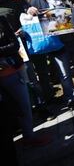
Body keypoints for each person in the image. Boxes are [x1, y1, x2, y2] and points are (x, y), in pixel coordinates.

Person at [0, 15, 51, 146]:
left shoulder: (1, 19)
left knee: (23, 106)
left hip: (12, 72)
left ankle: (29, 136)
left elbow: (14, 44)